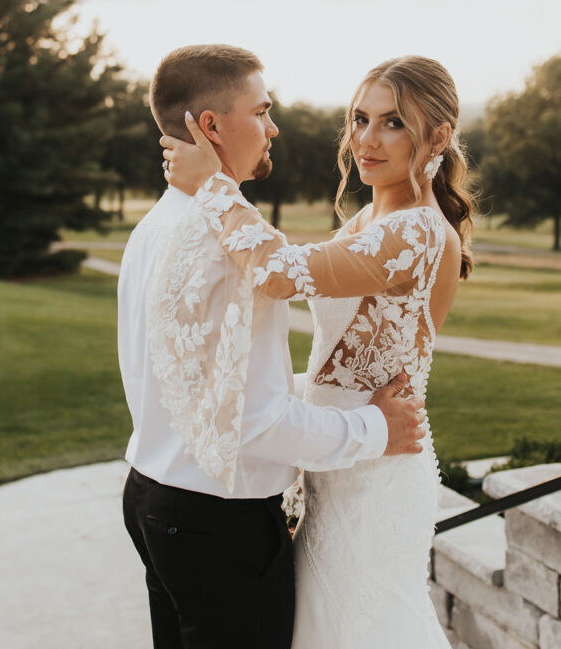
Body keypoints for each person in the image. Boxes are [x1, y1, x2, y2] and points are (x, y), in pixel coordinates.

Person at [161, 54, 474, 649]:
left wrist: (214, 187)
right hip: (344, 454)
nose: (366, 139)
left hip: (376, 476)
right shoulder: (370, 220)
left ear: (437, 136)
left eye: (393, 123)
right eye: (360, 119)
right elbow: (341, 363)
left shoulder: (418, 231)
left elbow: (276, 271)